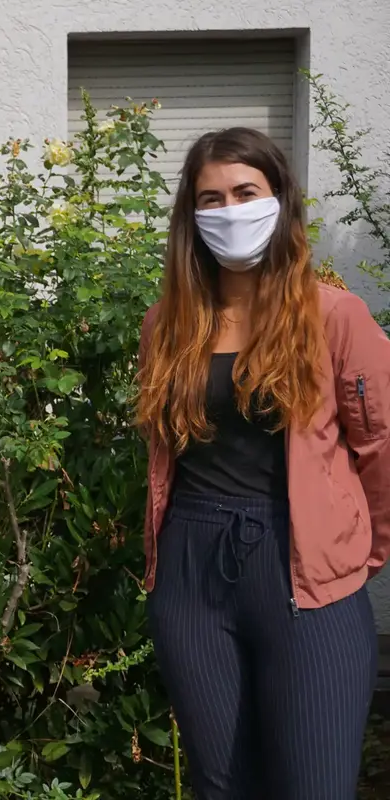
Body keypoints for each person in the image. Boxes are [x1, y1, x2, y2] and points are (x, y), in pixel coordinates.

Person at [136, 127, 389, 800]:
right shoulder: (167, 325)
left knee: (314, 784)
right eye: (209, 199)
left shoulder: (335, 317)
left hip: (305, 571)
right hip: (191, 568)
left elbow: (382, 447)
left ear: (280, 201)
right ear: (191, 217)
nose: (229, 211)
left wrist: (360, 553)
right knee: (224, 787)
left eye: (246, 193)